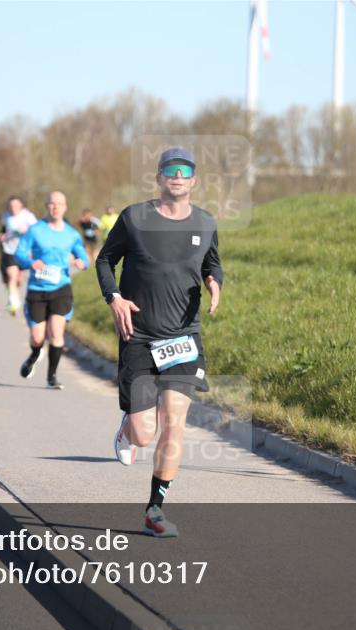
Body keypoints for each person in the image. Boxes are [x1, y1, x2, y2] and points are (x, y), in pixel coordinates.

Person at [95, 147, 222, 538]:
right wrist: (114, 298)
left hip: (184, 337)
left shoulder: (205, 222)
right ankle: (127, 430)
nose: (178, 176)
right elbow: (104, 260)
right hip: (139, 334)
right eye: (171, 169)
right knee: (145, 434)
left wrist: (214, 282)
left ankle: (155, 509)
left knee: (175, 424)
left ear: (194, 180)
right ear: (159, 177)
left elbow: (211, 262)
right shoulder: (135, 217)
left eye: (185, 171)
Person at [14, 191, 90, 389]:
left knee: (57, 333)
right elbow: (20, 253)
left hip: (61, 288)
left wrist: (82, 261)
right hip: (37, 289)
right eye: (51, 204)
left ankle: (52, 377)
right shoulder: (35, 230)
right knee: (38, 337)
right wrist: (31, 262)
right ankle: (34, 354)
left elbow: (82, 254)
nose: (55, 207)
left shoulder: (71, 234)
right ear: (46, 206)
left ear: (65, 207)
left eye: (59, 204)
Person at [0, 196, 38, 315]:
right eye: (11, 206)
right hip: (10, 250)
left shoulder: (28, 217)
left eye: (16, 206)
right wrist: (2, 236)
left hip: (25, 252)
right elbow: (2, 230)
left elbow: (37, 231)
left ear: (21, 206)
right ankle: (13, 302)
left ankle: (13, 295)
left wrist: (27, 230)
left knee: (18, 280)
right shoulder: (5, 217)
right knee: (12, 275)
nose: (13, 208)